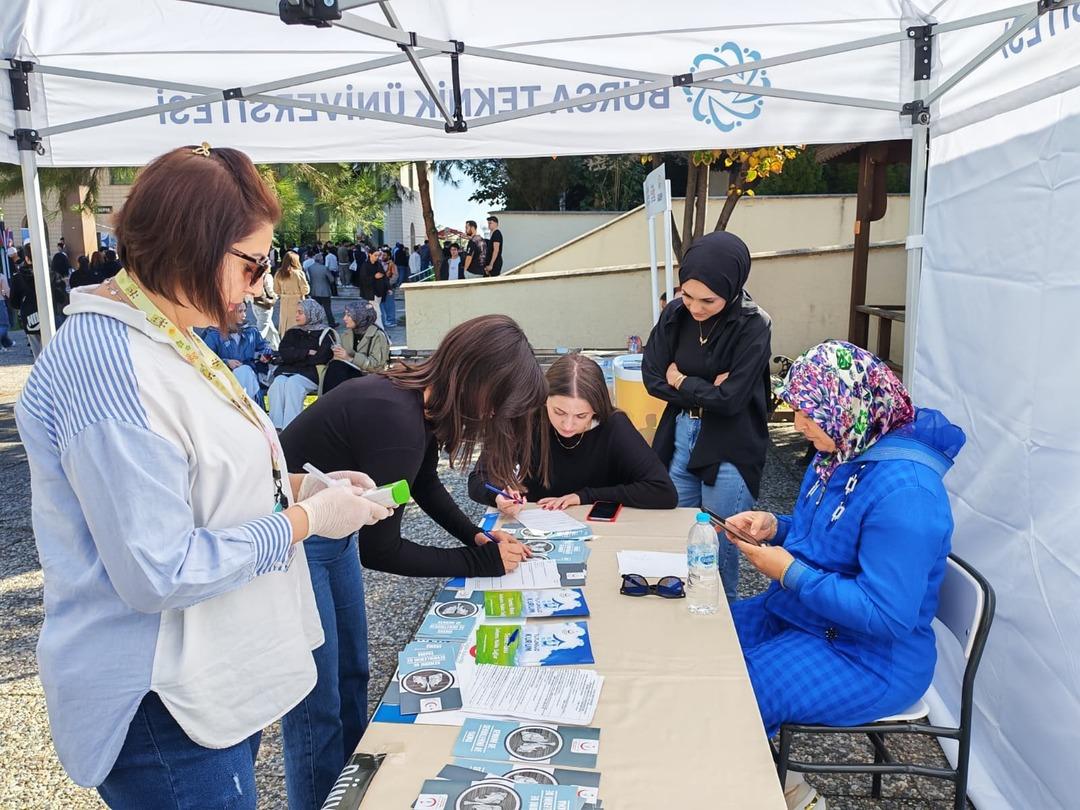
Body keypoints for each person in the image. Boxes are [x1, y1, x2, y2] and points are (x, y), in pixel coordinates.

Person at [13, 144, 393, 809]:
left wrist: (305, 488)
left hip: (208, 678)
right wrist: (305, 522)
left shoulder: (163, 334)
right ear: (193, 247)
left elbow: (201, 482)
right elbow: (158, 569)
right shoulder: (111, 367)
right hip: (162, 702)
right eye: (253, 263)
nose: (262, 283)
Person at [278, 314, 544, 809]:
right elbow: (381, 551)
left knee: (351, 672)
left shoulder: (415, 400)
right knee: (316, 699)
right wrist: (477, 562)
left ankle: (353, 791)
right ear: (480, 382)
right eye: (501, 405)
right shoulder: (396, 420)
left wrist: (478, 540)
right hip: (297, 542)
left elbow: (420, 484)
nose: (497, 418)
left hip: (329, 534)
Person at [723, 341, 965, 810]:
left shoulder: (907, 495)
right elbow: (827, 540)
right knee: (703, 644)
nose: (797, 425)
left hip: (872, 656)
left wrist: (789, 572)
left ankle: (793, 794)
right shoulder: (842, 448)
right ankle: (767, 775)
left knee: (734, 692)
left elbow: (888, 617)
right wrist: (776, 526)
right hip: (812, 616)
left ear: (847, 406)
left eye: (809, 414)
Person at [642, 231, 772, 602]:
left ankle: (724, 624)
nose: (695, 308)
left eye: (708, 300)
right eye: (687, 295)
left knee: (720, 546)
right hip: (681, 433)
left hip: (730, 442)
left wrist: (681, 379)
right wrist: (706, 389)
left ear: (732, 289)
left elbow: (732, 401)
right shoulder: (674, 314)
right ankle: (680, 616)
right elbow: (652, 377)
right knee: (678, 533)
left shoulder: (754, 324)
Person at [469, 353, 677, 513]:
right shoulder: (525, 418)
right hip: (536, 522)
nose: (568, 425)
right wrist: (497, 496)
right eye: (559, 412)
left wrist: (584, 496)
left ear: (597, 409)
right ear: (544, 399)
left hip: (598, 525)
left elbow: (663, 492)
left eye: (581, 416)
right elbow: (478, 479)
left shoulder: (614, 426)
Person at [267, 299, 335, 430]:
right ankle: (275, 428)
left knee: (294, 385)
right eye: (296, 312)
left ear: (311, 314)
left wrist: (295, 356)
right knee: (278, 383)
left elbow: (321, 358)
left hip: (311, 374)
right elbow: (284, 353)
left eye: (300, 312)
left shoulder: (326, 333)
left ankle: (291, 428)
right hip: (287, 371)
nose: (296, 316)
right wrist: (306, 352)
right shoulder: (293, 332)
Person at [200, 303, 274, 401]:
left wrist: (265, 354)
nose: (244, 315)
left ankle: (248, 408)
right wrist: (226, 362)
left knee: (245, 370)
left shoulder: (251, 331)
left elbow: (265, 346)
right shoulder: (214, 334)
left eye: (244, 311)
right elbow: (205, 358)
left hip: (250, 376)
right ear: (229, 313)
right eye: (240, 311)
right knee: (243, 371)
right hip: (225, 379)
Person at [321, 300, 390, 395]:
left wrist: (349, 358)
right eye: (345, 315)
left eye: (348, 315)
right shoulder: (347, 334)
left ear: (360, 316)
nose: (344, 318)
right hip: (349, 376)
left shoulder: (377, 335)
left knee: (337, 368)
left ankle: (328, 404)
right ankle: (329, 404)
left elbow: (377, 366)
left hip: (369, 377)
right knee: (335, 365)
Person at [10, 244, 43, 358]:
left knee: (37, 351)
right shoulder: (49, 273)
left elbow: (13, 301)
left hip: (30, 316)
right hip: (50, 315)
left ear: (26, 258)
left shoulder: (18, 276)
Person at [274, 250, 310, 334]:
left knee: (285, 323)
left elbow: (276, 289)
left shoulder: (279, 273)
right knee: (297, 323)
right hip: (297, 301)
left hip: (284, 302)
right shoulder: (298, 273)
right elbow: (305, 290)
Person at [251, 268, 280, 349]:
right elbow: (270, 291)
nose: (271, 265)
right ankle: (252, 347)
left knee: (270, 328)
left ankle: (276, 347)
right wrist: (276, 297)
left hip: (255, 303)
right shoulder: (267, 276)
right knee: (262, 330)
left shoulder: (252, 276)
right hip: (265, 305)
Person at [306, 251, 336, 328]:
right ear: (321, 260)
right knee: (327, 309)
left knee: (315, 308)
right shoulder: (324, 268)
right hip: (325, 291)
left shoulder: (310, 268)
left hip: (314, 291)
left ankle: (315, 322)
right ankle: (331, 323)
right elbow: (332, 279)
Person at [380, 252, 398, 328]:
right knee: (382, 305)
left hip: (389, 287)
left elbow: (395, 276)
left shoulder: (392, 265)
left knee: (389, 305)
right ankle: (384, 320)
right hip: (381, 287)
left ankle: (391, 320)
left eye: (384, 255)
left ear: (389, 256)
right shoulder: (380, 264)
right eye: (382, 255)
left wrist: (388, 284)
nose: (382, 256)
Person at [0, 271, 14, 352]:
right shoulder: (1, 276)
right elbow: (6, 290)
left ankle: (7, 342)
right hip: (0, 301)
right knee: (4, 324)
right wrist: (13, 299)